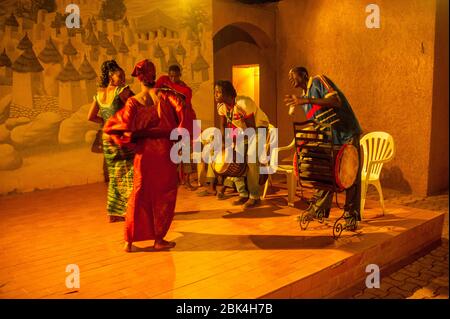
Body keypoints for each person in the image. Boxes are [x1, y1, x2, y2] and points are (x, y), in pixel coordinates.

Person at [103, 59, 193, 252]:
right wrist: (179, 138)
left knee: (139, 195)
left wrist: (130, 138)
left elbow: (119, 125)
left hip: (143, 155)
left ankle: (129, 241)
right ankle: (158, 239)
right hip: (164, 153)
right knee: (164, 196)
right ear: (154, 75)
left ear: (139, 78)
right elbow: (185, 114)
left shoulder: (133, 102)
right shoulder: (167, 96)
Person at [285, 66, 363, 229]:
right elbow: (319, 123)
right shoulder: (304, 98)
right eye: (289, 76)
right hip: (332, 138)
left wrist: (305, 100)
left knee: (351, 175)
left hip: (347, 132)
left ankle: (351, 216)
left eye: (294, 75)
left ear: (304, 75)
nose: (291, 78)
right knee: (325, 172)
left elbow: (336, 101)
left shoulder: (318, 81)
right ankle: (318, 209)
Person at [87, 60, 134, 223]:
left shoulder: (99, 94)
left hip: (107, 139)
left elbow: (90, 116)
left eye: (124, 76)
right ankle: (131, 210)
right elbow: (139, 104)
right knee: (130, 173)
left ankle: (113, 213)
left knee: (115, 175)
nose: (123, 79)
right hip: (120, 137)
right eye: (120, 76)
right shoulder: (122, 91)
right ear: (110, 76)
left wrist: (106, 122)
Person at [215, 80, 266, 209]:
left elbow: (251, 128)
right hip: (243, 131)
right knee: (233, 159)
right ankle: (243, 194)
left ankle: (254, 197)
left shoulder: (243, 103)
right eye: (214, 92)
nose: (215, 95)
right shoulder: (221, 107)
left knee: (251, 159)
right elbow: (223, 125)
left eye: (218, 92)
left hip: (259, 128)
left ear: (226, 93)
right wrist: (225, 144)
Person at [155, 65, 198, 190]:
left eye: (175, 76)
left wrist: (176, 97)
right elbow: (156, 91)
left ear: (180, 75)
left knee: (185, 153)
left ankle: (188, 181)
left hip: (183, 123)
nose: (173, 79)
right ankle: (174, 181)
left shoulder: (185, 89)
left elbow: (186, 105)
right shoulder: (164, 81)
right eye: (171, 76)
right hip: (169, 123)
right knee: (171, 154)